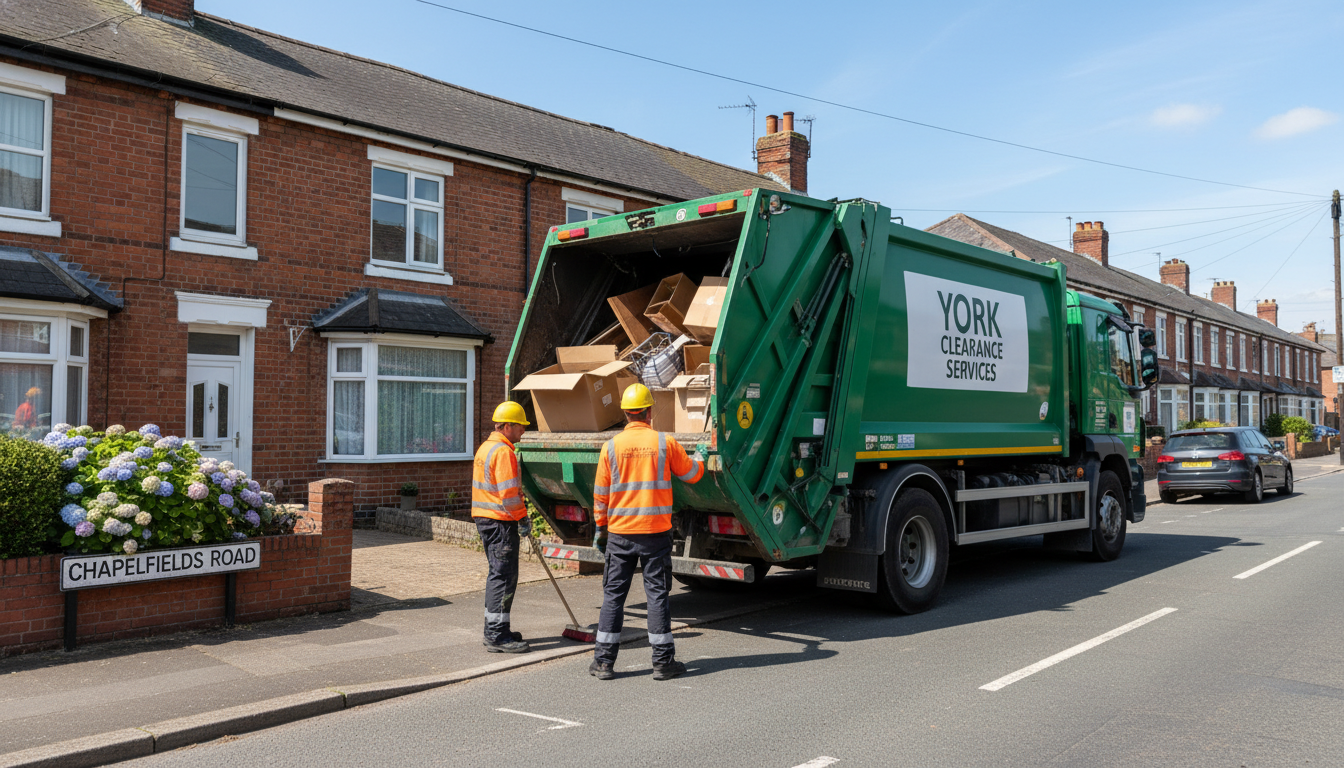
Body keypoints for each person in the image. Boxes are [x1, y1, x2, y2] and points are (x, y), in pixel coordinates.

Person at [589, 383, 705, 681]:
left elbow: (601, 494)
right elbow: (692, 475)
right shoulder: (665, 443)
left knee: (613, 597)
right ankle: (663, 663)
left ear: (626, 414)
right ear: (649, 412)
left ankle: (603, 663)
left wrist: (600, 529)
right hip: (654, 535)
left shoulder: (610, 447)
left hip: (619, 535)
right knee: (657, 596)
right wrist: (701, 457)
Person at [472, 401, 533, 654]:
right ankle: (497, 636)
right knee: (503, 577)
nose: (523, 431)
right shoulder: (503, 452)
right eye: (520, 426)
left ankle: (498, 629)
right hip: (500, 522)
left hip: (487, 519)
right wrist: (523, 518)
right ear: (506, 426)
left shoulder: (486, 448)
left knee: (498, 575)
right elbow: (509, 496)